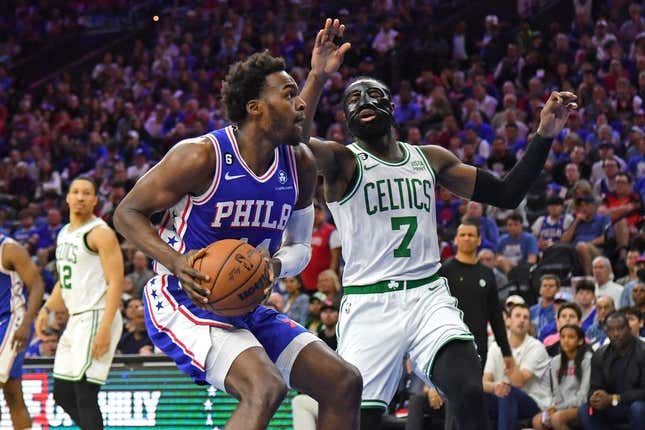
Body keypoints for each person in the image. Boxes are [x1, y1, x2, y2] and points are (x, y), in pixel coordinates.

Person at [302, 44, 577, 428]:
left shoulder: (428, 159)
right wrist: (317, 77)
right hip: (368, 304)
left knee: (466, 389)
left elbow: (506, 193)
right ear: (346, 117)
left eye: (374, 95)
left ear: (393, 108)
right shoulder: (342, 162)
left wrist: (544, 134)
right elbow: (293, 144)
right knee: (359, 422)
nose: (363, 101)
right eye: (353, 98)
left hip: (426, 296)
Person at [113, 20, 362, 430]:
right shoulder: (200, 157)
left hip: (243, 300)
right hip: (182, 296)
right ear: (254, 107)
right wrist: (176, 262)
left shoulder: (299, 165)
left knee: (343, 382)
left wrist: (275, 267)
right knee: (265, 388)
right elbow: (127, 213)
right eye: (288, 94)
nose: (300, 103)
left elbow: (298, 246)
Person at [35, 176, 124, 430]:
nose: (80, 197)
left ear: (95, 200)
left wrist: (105, 328)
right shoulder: (64, 233)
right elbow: (64, 281)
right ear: (67, 197)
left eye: (86, 193)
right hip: (76, 319)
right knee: (62, 394)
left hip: (97, 315)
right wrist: (47, 308)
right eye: (75, 192)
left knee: (85, 394)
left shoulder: (100, 233)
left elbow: (116, 281)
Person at [439, 220, 511, 368]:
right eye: (462, 235)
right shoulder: (444, 272)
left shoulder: (487, 273)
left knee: (475, 390)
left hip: (478, 346)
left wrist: (506, 352)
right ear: (456, 239)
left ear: (479, 240)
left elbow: (496, 316)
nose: (466, 238)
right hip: (448, 344)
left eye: (471, 235)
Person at [483, 303, 552, 430]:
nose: (522, 320)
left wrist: (508, 355)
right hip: (504, 399)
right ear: (508, 321)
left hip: (534, 402)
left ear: (529, 324)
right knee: (474, 397)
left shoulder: (536, 347)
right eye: (518, 316)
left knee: (507, 391)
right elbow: (484, 382)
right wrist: (495, 386)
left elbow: (518, 382)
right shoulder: (495, 346)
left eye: (526, 318)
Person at [0, 236, 44, 429]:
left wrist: (26, 323)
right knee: (13, 393)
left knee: (11, 392)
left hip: (12, 320)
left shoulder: (9, 249)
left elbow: (36, 285)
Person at [577, 311, 645, 429]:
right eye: (611, 330)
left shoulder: (642, 352)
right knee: (585, 410)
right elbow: (594, 387)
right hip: (611, 406)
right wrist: (595, 397)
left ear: (629, 329)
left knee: (638, 408)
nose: (616, 334)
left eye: (620, 329)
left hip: (636, 404)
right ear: (605, 331)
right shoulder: (600, 354)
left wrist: (614, 398)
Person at [532, 324, 592, 430]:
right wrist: (554, 407)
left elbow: (583, 396)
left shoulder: (587, 360)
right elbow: (556, 393)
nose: (566, 340)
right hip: (561, 407)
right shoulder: (555, 361)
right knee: (537, 420)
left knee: (557, 419)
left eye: (571, 337)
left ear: (580, 341)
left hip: (583, 407)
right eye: (563, 337)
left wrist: (558, 408)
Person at [300, 203, 341, 292]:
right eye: (314, 213)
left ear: (324, 214)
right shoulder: (306, 231)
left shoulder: (331, 232)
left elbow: (336, 258)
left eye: (318, 213)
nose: (315, 216)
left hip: (323, 284)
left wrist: (330, 277)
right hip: (306, 281)